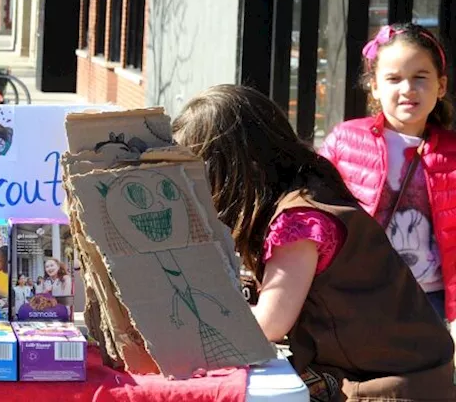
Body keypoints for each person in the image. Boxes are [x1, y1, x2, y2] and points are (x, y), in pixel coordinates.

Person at [173, 84, 454, 401]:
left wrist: (184, 320)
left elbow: (268, 325)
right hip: (399, 374)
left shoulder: (299, 223)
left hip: (393, 388)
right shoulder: (310, 188)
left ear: (232, 168)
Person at [320, 23, 456, 327]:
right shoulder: (345, 141)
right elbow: (312, 208)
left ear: (441, 86)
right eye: (394, 79)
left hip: (430, 298)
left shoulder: (452, 152)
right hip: (359, 294)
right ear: (375, 87)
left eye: (420, 77)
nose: (408, 89)